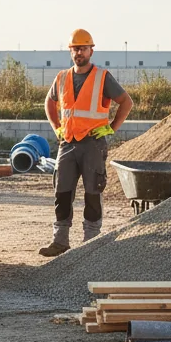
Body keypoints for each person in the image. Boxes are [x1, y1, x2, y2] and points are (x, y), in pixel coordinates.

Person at [38, 29, 134, 257]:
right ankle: (60, 241)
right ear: (71, 51)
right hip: (68, 144)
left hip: (93, 143)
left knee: (93, 193)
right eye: (75, 49)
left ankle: (91, 242)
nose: (79, 52)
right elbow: (49, 103)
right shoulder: (61, 78)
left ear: (91, 50)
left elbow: (126, 102)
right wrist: (57, 128)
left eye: (83, 48)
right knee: (62, 192)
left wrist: (112, 127)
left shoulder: (102, 77)